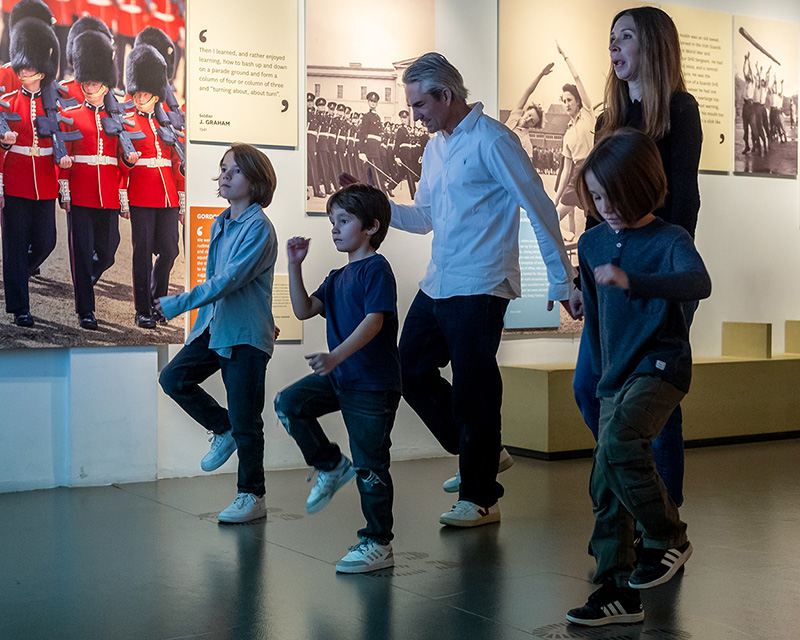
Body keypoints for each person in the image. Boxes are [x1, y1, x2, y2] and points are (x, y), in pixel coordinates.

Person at [389, 52, 577, 527]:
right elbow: (424, 219)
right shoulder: (435, 149)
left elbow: (539, 207)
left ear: (445, 95)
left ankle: (480, 498)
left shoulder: (495, 140)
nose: (416, 116)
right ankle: (483, 451)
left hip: (482, 282)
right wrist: (378, 205)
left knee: (475, 387)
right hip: (439, 282)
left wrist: (561, 277)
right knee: (408, 368)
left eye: (419, 105)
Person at [566, 129, 710, 627]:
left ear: (643, 186)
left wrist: (635, 281)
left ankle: (668, 537)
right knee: (605, 481)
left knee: (623, 443)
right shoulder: (590, 243)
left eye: (614, 195)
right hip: (616, 373)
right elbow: (597, 318)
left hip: (661, 367)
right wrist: (579, 304)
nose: (605, 206)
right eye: (598, 196)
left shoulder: (670, 238)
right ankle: (617, 593)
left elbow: (699, 282)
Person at [573, 6, 703, 508]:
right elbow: (593, 203)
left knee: (657, 398)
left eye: (624, 36)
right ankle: (634, 484)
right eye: (611, 37)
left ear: (652, 45)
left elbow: (684, 198)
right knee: (593, 389)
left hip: (657, 266)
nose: (614, 45)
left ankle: (661, 521)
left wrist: (668, 264)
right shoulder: (609, 117)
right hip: (608, 269)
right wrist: (583, 280)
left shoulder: (680, 109)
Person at [274, 183, 401, 573]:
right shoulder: (336, 276)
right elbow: (302, 309)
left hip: (372, 385)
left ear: (371, 227)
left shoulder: (377, 269)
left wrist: (334, 356)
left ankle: (378, 542)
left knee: (370, 465)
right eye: (333, 221)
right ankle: (330, 464)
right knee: (289, 403)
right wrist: (293, 265)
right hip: (341, 377)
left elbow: (374, 322)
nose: (335, 228)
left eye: (344, 221)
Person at [157, 143, 278, 524]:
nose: (225, 175)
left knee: (247, 419)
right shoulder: (221, 222)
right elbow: (218, 280)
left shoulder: (258, 226)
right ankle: (220, 426)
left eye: (236, 170)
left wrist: (181, 302)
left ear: (256, 181)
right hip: (215, 326)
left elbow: (230, 280)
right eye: (224, 168)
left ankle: (251, 496)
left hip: (243, 335)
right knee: (174, 378)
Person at [58, 28, 141, 330]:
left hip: (107, 191)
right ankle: (86, 310)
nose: (91, 86)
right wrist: (64, 189)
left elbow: (122, 160)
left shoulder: (116, 119)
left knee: (107, 250)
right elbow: (64, 154)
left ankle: (85, 284)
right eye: (87, 82)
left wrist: (129, 163)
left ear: (106, 84)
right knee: (81, 250)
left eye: (95, 82)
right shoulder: (73, 115)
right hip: (81, 191)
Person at [0, 15, 72, 327]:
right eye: (23, 68)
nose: (27, 73)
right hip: (15, 181)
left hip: (44, 181)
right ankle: (20, 307)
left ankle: (17, 274)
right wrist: (4, 145)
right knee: (14, 244)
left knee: (46, 241)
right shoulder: (6, 103)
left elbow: (65, 141)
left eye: (32, 68)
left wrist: (64, 166)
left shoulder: (55, 105)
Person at [122, 43, 184, 329]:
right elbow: (120, 163)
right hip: (141, 194)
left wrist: (181, 195)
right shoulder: (126, 121)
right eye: (136, 93)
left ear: (156, 93)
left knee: (170, 250)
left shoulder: (167, 122)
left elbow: (174, 161)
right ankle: (142, 309)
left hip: (167, 195)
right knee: (142, 252)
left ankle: (157, 300)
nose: (139, 98)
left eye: (144, 93)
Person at [552, 43, 594, 243]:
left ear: (578, 101)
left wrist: (565, 55)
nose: (566, 104)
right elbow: (566, 171)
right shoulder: (566, 134)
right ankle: (568, 241)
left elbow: (577, 78)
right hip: (577, 177)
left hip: (594, 174)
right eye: (564, 101)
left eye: (569, 100)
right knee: (552, 219)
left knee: (596, 226)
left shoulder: (588, 114)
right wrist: (556, 198)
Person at [504, 63, 551, 161]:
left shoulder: (526, 142)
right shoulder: (515, 115)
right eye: (529, 115)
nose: (528, 119)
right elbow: (528, 92)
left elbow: (527, 168)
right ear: (525, 111)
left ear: (533, 126)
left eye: (532, 121)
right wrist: (541, 74)